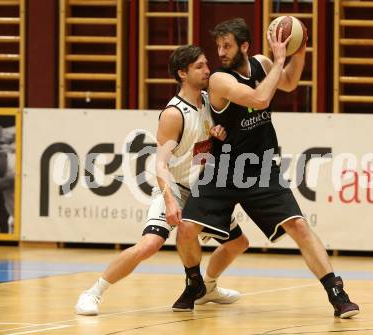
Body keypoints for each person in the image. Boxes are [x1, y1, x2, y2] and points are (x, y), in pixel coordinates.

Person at [172, 18, 359, 319]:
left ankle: (336, 293)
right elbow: (259, 99)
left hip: (259, 168)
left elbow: (288, 82)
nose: (220, 51)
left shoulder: (260, 63)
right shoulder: (220, 79)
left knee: (298, 225)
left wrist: (300, 51)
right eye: (218, 46)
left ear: (244, 46)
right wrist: (280, 60)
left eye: (227, 45)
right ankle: (194, 282)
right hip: (222, 169)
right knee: (186, 228)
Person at [75, 45, 249, 315]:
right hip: (176, 188)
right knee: (150, 244)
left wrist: (220, 136)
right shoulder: (174, 113)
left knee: (239, 243)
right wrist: (169, 200)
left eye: (207, 64)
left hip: (203, 191)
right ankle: (93, 292)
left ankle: (208, 287)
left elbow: (212, 145)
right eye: (200, 66)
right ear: (182, 73)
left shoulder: (210, 100)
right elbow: (160, 162)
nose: (207, 70)